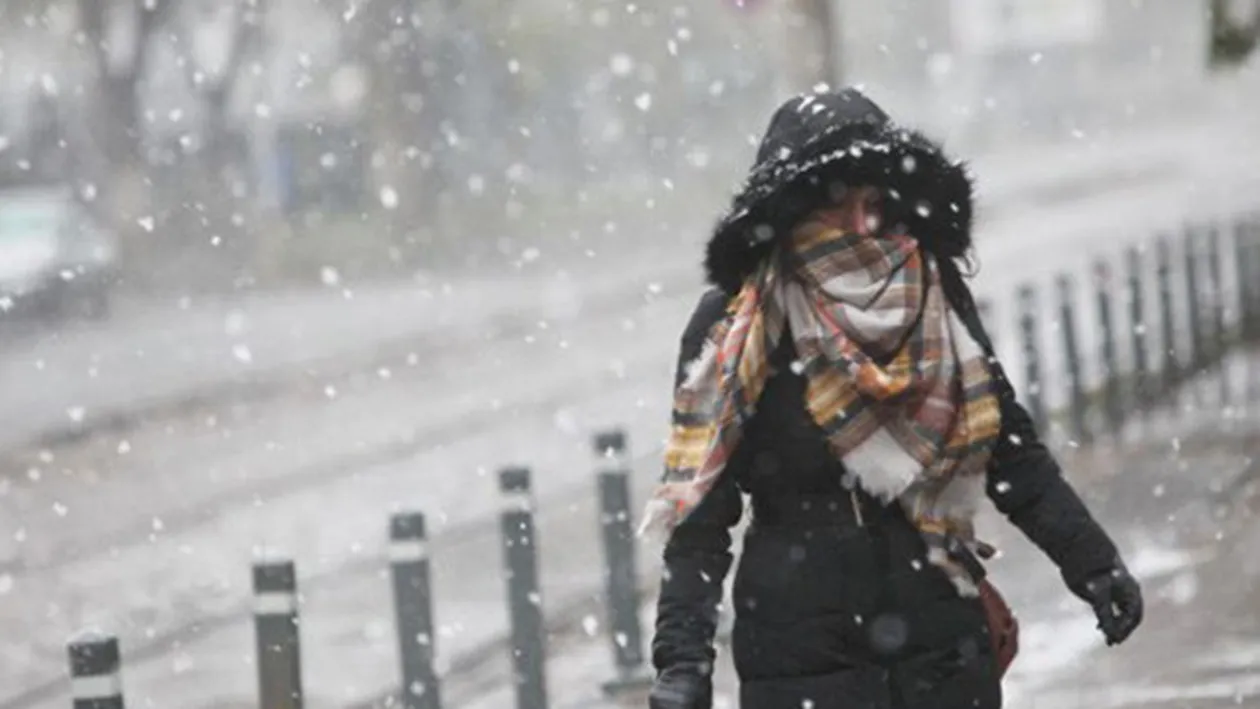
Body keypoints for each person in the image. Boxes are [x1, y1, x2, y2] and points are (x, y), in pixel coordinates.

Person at [642, 88, 1144, 709]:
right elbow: (700, 516)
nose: (859, 221)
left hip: (938, 633)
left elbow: (1008, 449)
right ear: (792, 207)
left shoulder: (931, 293)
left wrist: (1092, 563)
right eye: (834, 198)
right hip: (798, 647)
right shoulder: (736, 325)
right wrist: (682, 660)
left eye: (873, 199)